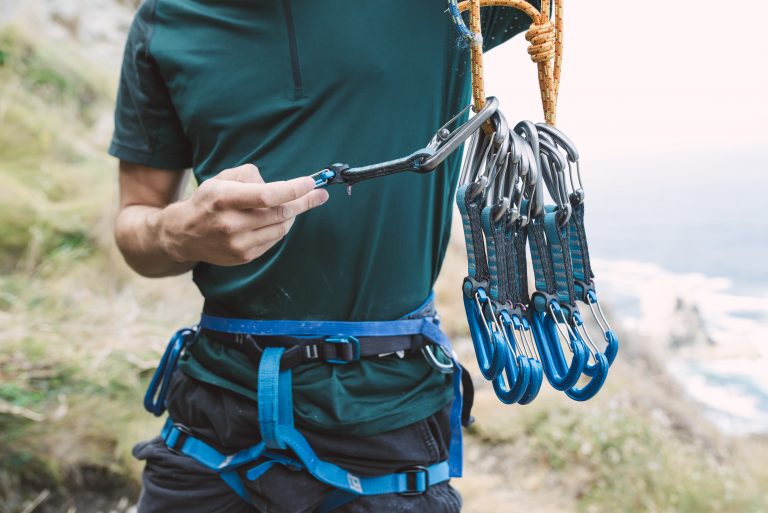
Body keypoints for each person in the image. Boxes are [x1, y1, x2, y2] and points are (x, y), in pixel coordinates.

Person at [110, 1, 534, 511]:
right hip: (212, 421)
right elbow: (136, 217)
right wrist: (177, 234)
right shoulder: (164, 20)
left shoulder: (443, 7)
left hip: (385, 422)